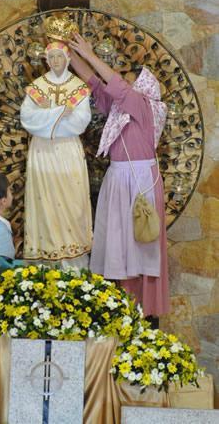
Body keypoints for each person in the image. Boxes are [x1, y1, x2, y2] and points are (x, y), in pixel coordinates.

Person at [69, 34, 169, 319]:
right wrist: (68, 53)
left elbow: (119, 88)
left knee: (140, 246)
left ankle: (144, 310)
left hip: (139, 182)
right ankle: (118, 307)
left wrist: (89, 52)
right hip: (119, 180)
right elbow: (95, 84)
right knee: (117, 245)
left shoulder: (146, 107)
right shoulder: (119, 112)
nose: (125, 84)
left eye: (131, 80)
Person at [20, 41, 92, 269]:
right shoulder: (37, 87)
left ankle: (74, 264)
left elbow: (81, 122)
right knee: (46, 201)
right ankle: (46, 264)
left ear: (68, 59)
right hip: (43, 152)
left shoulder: (79, 88)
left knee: (72, 203)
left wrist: (49, 119)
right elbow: (27, 118)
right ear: (46, 59)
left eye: (59, 56)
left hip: (68, 151)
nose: (56, 61)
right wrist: (59, 112)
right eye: (51, 57)